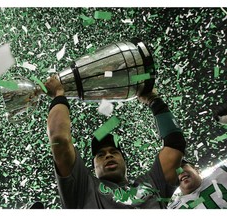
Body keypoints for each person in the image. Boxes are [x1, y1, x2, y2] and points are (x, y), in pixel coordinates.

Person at [45, 76, 187, 208]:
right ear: (93, 167)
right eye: (100, 155)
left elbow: (175, 144)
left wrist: (153, 100)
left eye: (114, 152)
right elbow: (59, 139)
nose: (108, 155)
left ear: (125, 161)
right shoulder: (84, 188)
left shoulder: (151, 183)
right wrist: (59, 94)